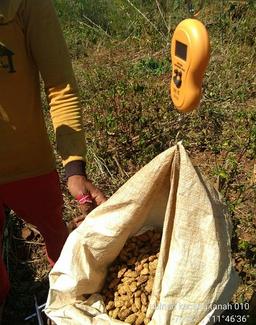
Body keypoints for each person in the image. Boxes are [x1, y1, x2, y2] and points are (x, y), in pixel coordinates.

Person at [0, 0, 106, 319]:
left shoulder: (25, 6)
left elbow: (60, 86)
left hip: (29, 167)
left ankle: (68, 301)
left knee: (58, 241)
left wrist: (74, 167)